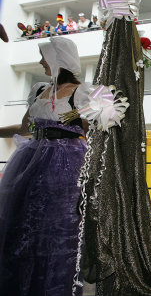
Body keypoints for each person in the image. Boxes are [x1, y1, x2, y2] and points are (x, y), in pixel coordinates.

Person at [0, 37, 88, 296]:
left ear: (59, 59)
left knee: (59, 230)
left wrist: (74, 116)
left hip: (68, 167)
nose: (40, 62)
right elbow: (26, 128)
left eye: (44, 56)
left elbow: (101, 121)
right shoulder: (39, 89)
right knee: (24, 227)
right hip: (31, 163)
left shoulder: (87, 92)